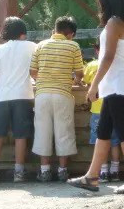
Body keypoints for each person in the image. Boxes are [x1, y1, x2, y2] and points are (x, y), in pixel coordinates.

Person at [68, 0, 124, 194]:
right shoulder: (122, 22)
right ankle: (92, 177)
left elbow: (108, 57)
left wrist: (94, 86)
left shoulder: (114, 23)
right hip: (117, 85)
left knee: (123, 132)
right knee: (103, 130)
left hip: (119, 85)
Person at [30, 15, 84, 182]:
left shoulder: (40, 45)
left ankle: (44, 171)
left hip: (42, 95)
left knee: (42, 131)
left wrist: (45, 80)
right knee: (64, 131)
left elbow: (32, 72)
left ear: (54, 30)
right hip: (63, 94)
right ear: (71, 34)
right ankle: (62, 170)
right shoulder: (73, 46)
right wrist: (74, 81)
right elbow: (80, 73)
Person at [0, 16, 37, 183]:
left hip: (1, 96)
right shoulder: (32, 47)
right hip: (23, 95)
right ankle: (19, 172)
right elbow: (35, 70)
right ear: (23, 33)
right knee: (21, 135)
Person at [83, 51, 122, 182]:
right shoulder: (116, 64)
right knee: (115, 141)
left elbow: (85, 81)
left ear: (96, 50)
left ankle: (103, 171)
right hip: (115, 107)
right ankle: (115, 171)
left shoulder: (92, 65)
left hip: (97, 110)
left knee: (100, 139)